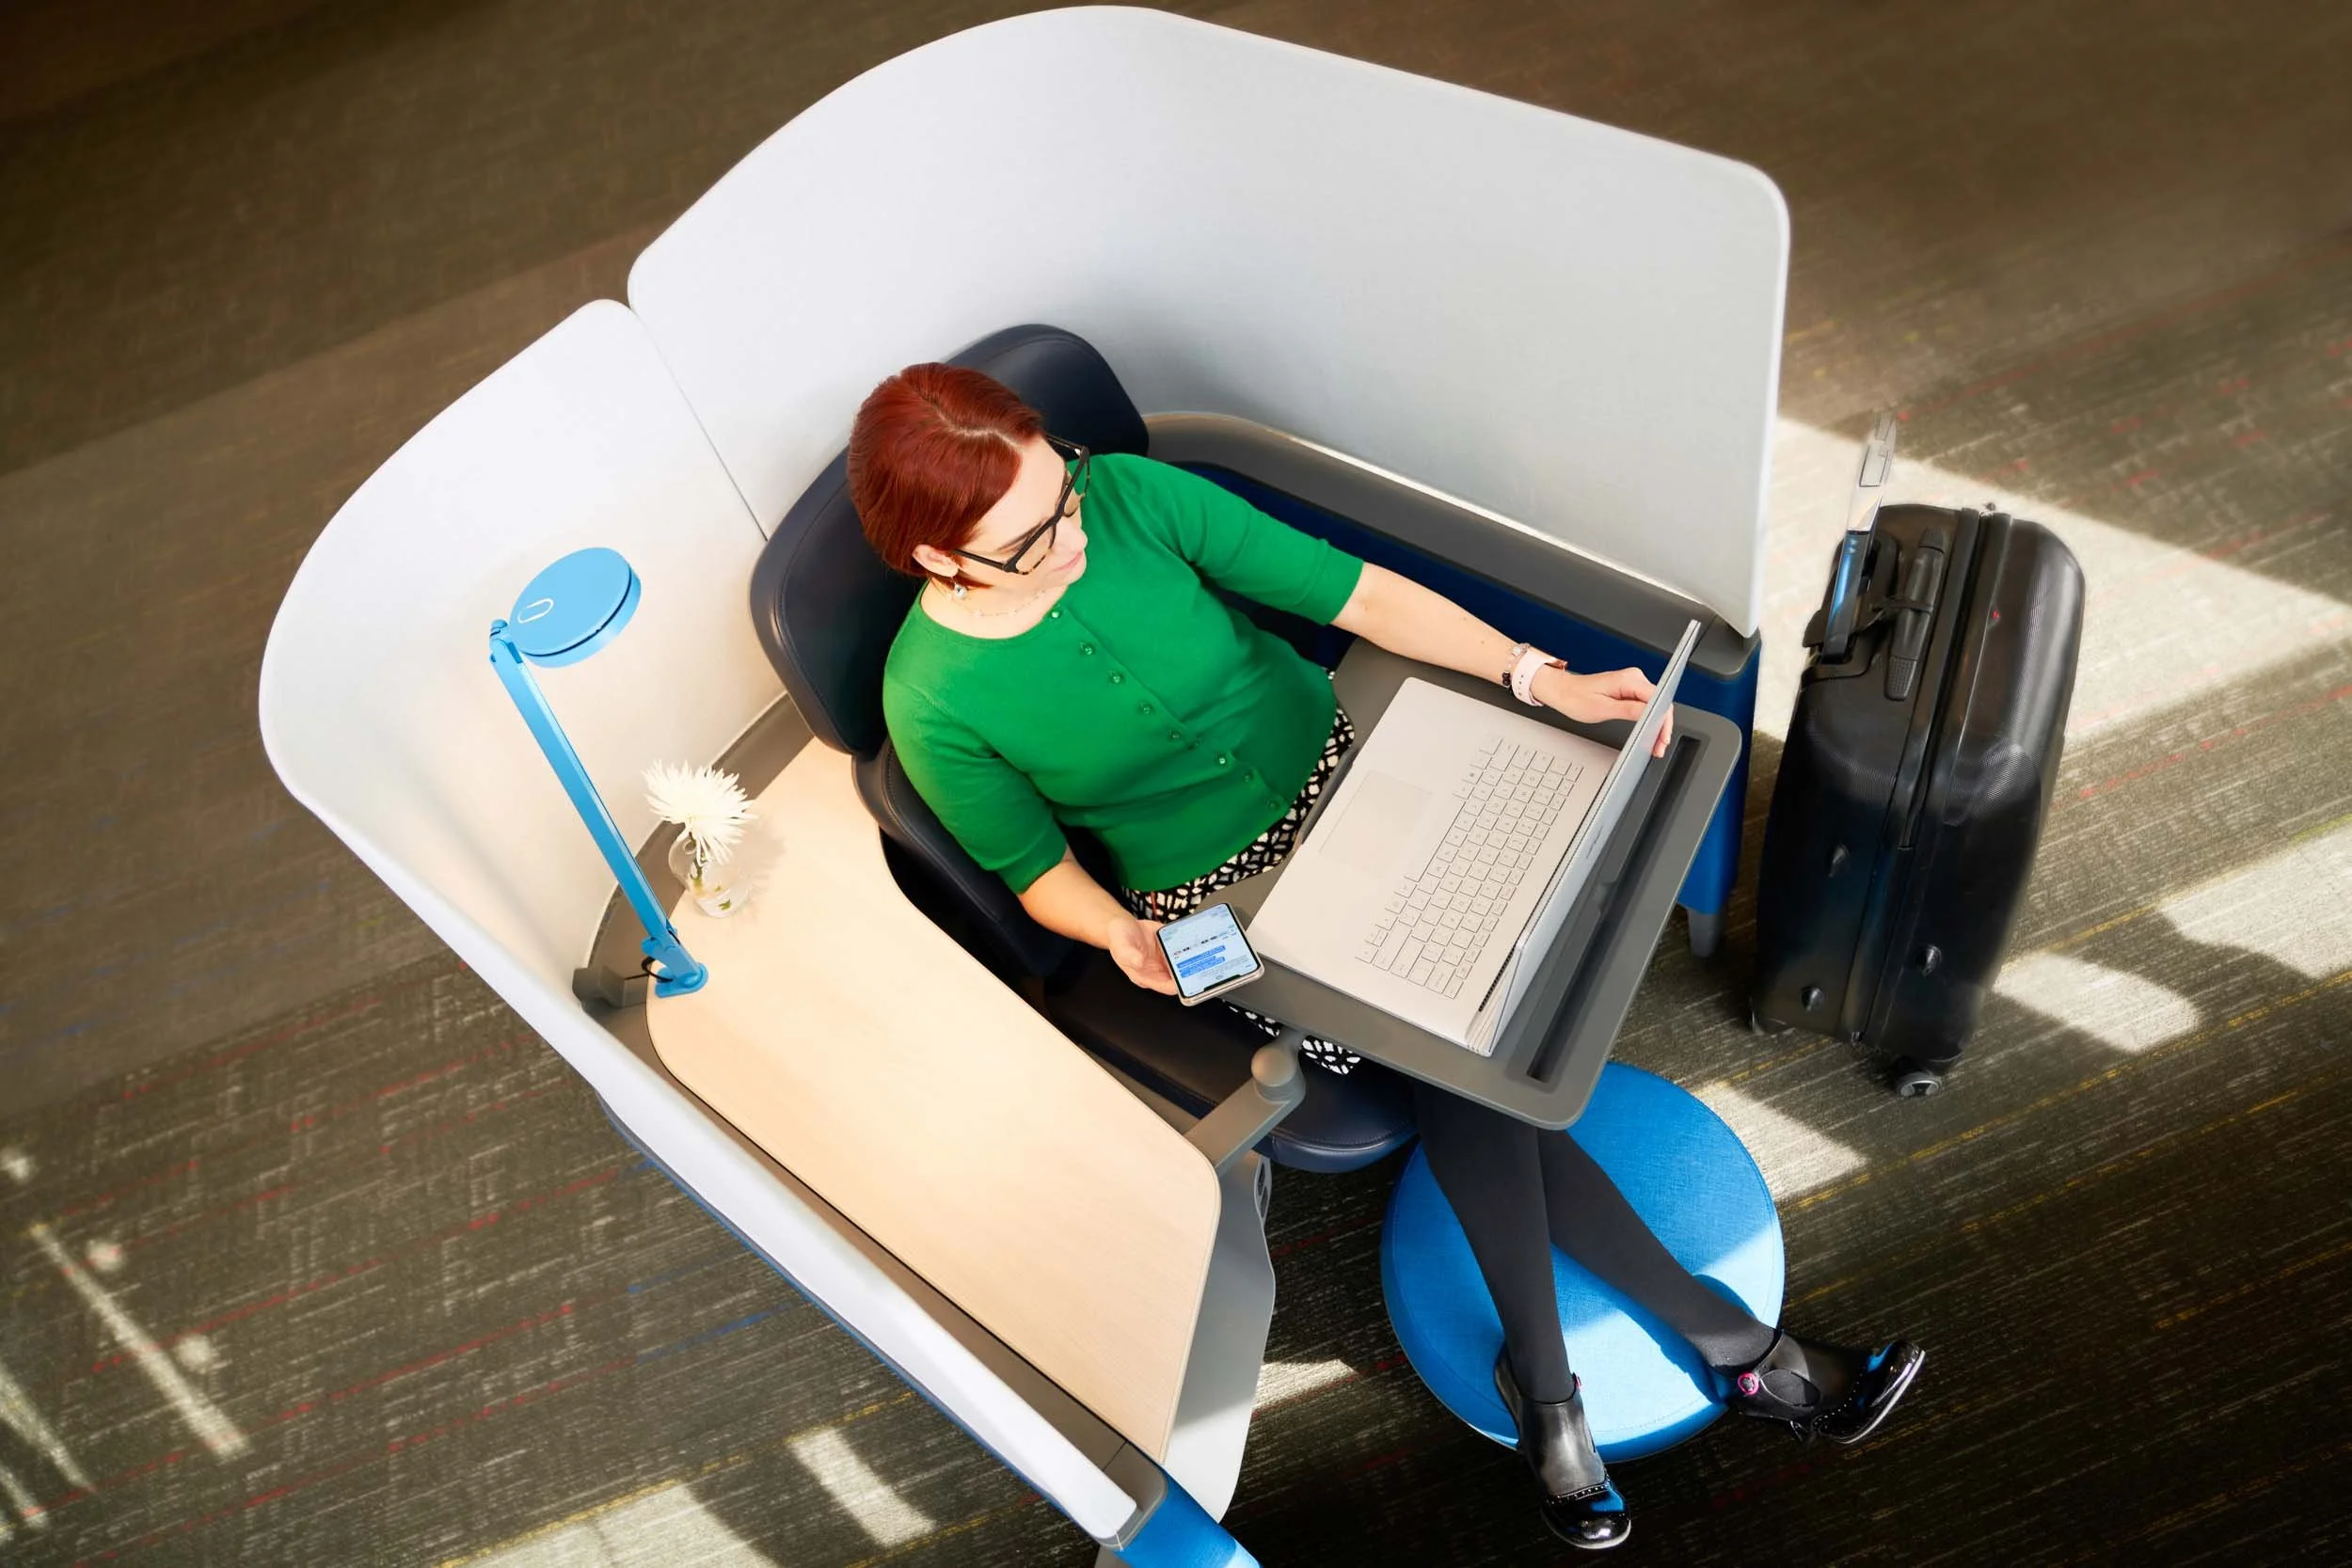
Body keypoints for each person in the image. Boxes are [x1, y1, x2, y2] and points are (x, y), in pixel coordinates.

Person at [852, 364, 1923, 1549]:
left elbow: (1350, 594)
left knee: (1477, 1011)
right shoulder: (931, 697)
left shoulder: (1129, 498)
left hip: (1361, 757)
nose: (1070, 537)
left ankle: (1560, 1389)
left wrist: (1538, 677)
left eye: (1064, 495)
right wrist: (1116, 931)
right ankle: (1706, 1351)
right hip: (1222, 901)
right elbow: (1033, 869)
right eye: (1030, 538)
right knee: (1460, 1053)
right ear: (937, 559)